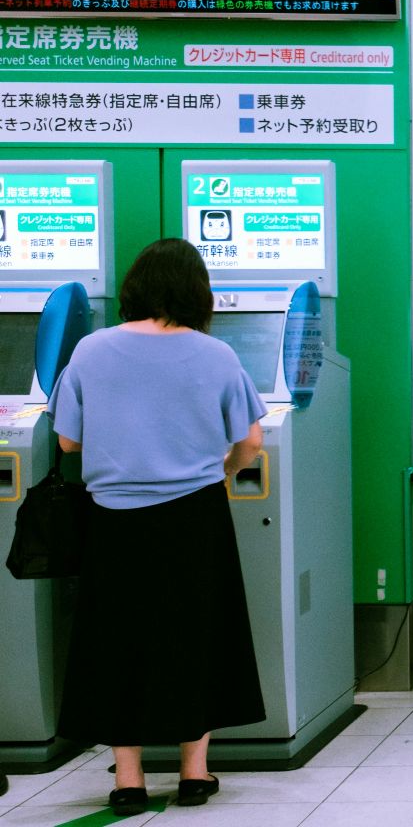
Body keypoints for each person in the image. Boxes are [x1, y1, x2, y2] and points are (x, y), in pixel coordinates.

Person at [49, 238, 267, 817]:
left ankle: (129, 779)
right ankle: (195, 773)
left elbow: (68, 440)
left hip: (114, 522)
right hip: (193, 515)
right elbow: (250, 440)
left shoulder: (92, 351)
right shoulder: (216, 354)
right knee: (195, 635)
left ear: (134, 288)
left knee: (117, 641)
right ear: (199, 292)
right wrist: (220, 472)